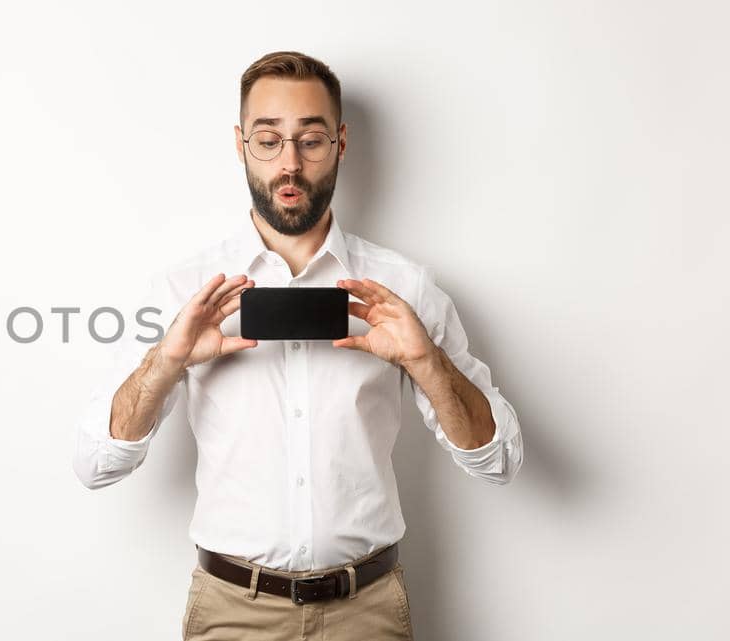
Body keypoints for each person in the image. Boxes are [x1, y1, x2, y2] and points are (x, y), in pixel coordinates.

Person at [71, 51, 524, 641]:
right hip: (232, 611)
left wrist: (425, 361)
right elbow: (94, 466)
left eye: (310, 139)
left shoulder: (405, 288)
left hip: (369, 611)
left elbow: (499, 461)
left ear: (340, 142)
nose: (290, 163)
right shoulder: (182, 290)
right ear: (240, 144)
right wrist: (167, 361)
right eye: (268, 140)